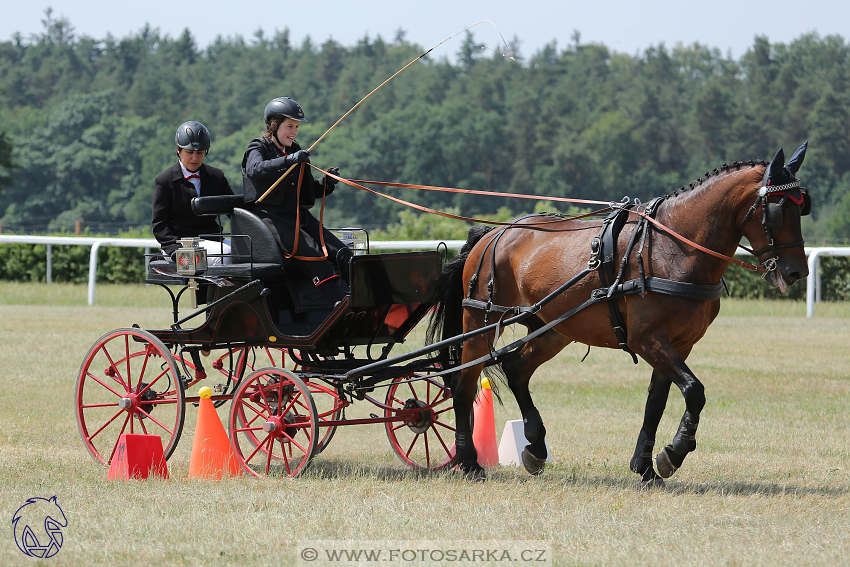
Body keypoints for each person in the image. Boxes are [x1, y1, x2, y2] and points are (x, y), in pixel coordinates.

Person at [242, 97, 351, 302]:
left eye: (297, 127)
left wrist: (326, 183)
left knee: (342, 252)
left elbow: (307, 191)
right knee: (313, 253)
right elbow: (255, 169)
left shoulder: (295, 150)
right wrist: (288, 160)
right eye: (289, 126)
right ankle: (338, 304)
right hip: (271, 218)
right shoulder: (258, 147)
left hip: (298, 215)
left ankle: (362, 297)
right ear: (274, 125)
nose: (294, 132)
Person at [152, 121, 234, 264]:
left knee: (247, 251)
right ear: (178, 150)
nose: (195, 158)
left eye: (200, 153)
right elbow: (160, 225)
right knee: (226, 254)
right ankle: (211, 287)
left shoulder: (217, 176)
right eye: (190, 153)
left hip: (212, 240)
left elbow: (233, 209)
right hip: (180, 243)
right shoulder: (164, 181)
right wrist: (174, 250)